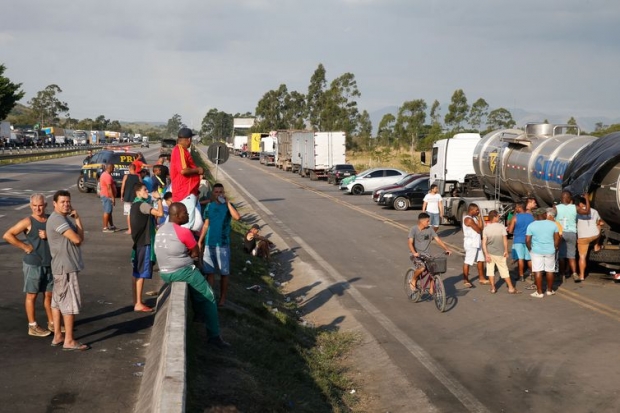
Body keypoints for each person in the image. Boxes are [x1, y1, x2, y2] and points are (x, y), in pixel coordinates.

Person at [154, 202, 229, 348]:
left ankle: (199, 315)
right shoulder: (183, 232)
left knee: (197, 290)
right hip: (182, 271)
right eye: (185, 213)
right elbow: (195, 252)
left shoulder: (161, 229)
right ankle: (214, 336)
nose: (188, 215)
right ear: (176, 215)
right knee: (209, 295)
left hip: (164, 273)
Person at [3, 194, 59, 337]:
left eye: (40, 205)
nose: (37, 208)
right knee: (32, 295)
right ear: (30, 206)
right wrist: (24, 246)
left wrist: (48, 235)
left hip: (50, 263)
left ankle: (53, 323)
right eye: (34, 206)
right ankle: (32, 326)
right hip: (33, 264)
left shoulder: (51, 219)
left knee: (49, 294)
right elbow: (8, 235)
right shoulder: (28, 221)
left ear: (45, 205)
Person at [46, 190, 89, 351]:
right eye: (62, 202)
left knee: (57, 303)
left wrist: (77, 219)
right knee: (69, 304)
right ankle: (69, 340)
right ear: (54, 203)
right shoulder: (57, 219)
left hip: (61, 267)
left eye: (68, 201)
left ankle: (58, 335)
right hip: (66, 267)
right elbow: (77, 239)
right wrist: (76, 224)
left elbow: (80, 237)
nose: (66, 204)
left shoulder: (64, 219)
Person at [198, 183, 241, 307]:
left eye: (221, 192)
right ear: (213, 194)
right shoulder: (209, 206)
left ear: (224, 193)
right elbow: (206, 224)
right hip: (209, 243)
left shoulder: (228, 206)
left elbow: (237, 217)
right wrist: (200, 241)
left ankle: (223, 298)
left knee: (224, 273)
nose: (218, 194)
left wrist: (227, 203)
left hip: (222, 244)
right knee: (209, 272)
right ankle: (210, 297)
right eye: (216, 192)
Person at [130, 183, 164, 312]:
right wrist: (159, 199)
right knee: (141, 274)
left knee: (136, 273)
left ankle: (136, 301)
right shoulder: (143, 205)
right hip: (144, 242)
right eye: (145, 190)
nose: (147, 191)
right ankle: (138, 303)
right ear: (138, 192)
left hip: (137, 242)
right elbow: (160, 213)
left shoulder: (134, 204)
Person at [170, 127, 204, 231]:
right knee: (186, 225)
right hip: (185, 193)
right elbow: (183, 170)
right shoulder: (180, 150)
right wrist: (198, 170)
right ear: (188, 139)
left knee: (189, 224)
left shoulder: (181, 150)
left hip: (186, 192)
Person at [407, 212, 452, 290]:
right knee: (422, 268)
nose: (429, 222)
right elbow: (410, 243)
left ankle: (432, 288)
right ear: (422, 221)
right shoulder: (413, 229)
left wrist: (446, 249)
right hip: (415, 254)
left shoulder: (430, 229)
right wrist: (414, 253)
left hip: (426, 254)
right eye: (427, 221)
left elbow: (437, 239)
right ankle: (413, 280)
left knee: (434, 269)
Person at [525, 208, 560, 298]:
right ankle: (549, 290)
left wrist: (530, 249)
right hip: (550, 250)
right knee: (550, 270)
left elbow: (527, 240)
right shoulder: (553, 225)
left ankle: (539, 292)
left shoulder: (531, 225)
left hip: (536, 251)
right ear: (544, 214)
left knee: (537, 270)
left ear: (536, 216)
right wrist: (555, 247)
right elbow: (557, 238)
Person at [482, 210, 519, 294]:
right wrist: (506, 251)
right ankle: (510, 288)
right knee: (504, 270)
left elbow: (484, 243)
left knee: (490, 271)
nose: (499, 218)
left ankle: (493, 288)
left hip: (490, 253)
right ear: (494, 217)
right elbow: (505, 240)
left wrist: (486, 254)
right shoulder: (501, 227)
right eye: (498, 216)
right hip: (500, 253)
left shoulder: (486, 229)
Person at [555, 190, 582, 281]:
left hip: (560, 233)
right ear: (570, 199)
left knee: (561, 256)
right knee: (571, 255)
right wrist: (586, 199)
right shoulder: (575, 207)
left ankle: (562, 274)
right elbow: (586, 211)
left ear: (561, 198)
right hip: (572, 233)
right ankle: (574, 273)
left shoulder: (556, 208)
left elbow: (549, 216)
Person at [575, 196, 604, 282]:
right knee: (599, 225)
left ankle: (582, 275)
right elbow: (600, 222)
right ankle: (596, 245)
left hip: (583, 238)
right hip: (594, 235)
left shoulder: (577, 212)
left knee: (582, 257)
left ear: (580, 203)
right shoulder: (594, 211)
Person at [507, 202, 534, 282]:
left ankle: (521, 276)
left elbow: (510, 231)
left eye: (516, 207)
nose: (515, 209)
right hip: (528, 240)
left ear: (519, 207)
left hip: (518, 240)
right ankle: (532, 274)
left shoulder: (515, 217)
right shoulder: (531, 217)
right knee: (529, 259)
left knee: (520, 259)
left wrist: (512, 229)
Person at [462, 203, 486, 288]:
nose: (478, 211)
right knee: (468, 261)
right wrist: (479, 226)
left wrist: (479, 218)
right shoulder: (468, 219)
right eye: (476, 210)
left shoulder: (474, 218)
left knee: (481, 260)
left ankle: (481, 278)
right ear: (471, 210)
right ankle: (465, 280)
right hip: (471, 243)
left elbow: (481, 227)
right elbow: (478, 230)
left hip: (477, 242)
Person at [120, 163, 142, 235]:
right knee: (135, 213)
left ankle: (130, 229)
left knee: (129, 214)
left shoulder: (126, 176)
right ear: (135, 169)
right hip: (136, 198)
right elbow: (141, 187)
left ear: (129, 169)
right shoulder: (138, 177)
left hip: (127, 197)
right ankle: (136, 228)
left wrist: (121, 196)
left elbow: (123, 187)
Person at [99, 163, 117, 232]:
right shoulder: (107, 176)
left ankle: (111, 225)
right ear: (109, 168)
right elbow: (109, 188)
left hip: (106, 195)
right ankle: (105, 228)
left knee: (109, 211)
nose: (113, 170)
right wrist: (113, 198)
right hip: (107, 196)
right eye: (113, 168)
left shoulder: (105, 175)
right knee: (107, 211)